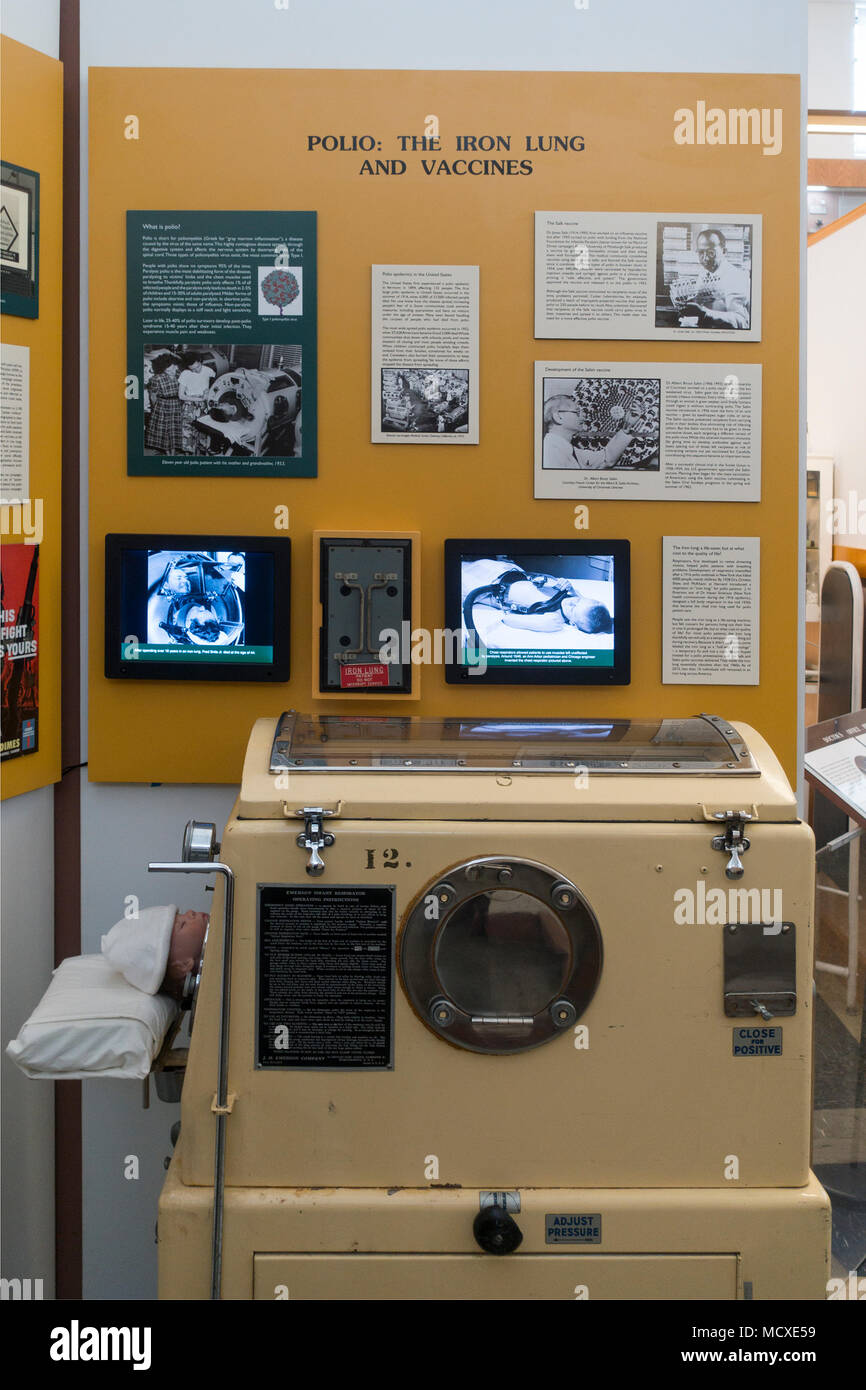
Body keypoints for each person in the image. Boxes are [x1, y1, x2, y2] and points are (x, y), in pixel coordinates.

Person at [542, 395, 648, 469]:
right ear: (558, 416)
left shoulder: (570, 451)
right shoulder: (549, 453)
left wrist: (627, 426)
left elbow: (606, 459)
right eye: (577, 412)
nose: (584, 416)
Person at [674, 228, 751, 329]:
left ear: (724, 251)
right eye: (701, 252)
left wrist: (704, 314)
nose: (705, 258)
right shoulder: (704, 273)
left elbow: (742, 322)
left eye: (711, 253)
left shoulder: (736, 277)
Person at [144, 353, 183, 454]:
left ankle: (173, 452)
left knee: (174, 430)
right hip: (162, 405)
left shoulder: (179, 375)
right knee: (165, 432)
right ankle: (167, 453)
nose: (173, 370)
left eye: (174, 366)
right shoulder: (156, 379)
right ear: (163, 369)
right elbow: (153, 395)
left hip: (176, 405)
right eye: (170, 369)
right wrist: (155, 408)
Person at [177, 355, 215, 452]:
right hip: (189, 405)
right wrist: (198, 399)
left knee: (203, 430)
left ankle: (199, 453)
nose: (196, 370)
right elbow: (181, 396)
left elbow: (215, 386)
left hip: (203, 405)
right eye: (192, 369)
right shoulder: (185, 374)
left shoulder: (208, 371)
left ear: (200, 361)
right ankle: (188, 455)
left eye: (198, 367)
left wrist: (208, 391)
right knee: (188, 431)